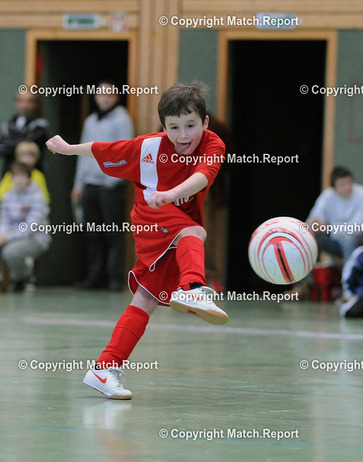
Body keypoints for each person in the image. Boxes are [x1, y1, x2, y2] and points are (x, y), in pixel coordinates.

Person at [46, 81, 229, 399]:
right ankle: (193, 288)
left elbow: (203, 176)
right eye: (174, 127)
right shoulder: (147, 149)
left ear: (205, 122)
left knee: (145, 298)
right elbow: (104, 149)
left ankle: (104, 369)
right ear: (163, 127)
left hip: (174, 217)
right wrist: (68, 148)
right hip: (150, 215)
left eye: (190, 125)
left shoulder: (214, 144)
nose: (183, 135)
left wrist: (172, 193)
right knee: (195, 233)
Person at [72, 81, 134, 290]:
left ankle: (115, 279)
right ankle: (95, 278)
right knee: (92, 233)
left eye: (109, 94)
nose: (105, 98)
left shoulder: (122, 119)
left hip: (110, 186)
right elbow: (82, 152)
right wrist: (78, 184)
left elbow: (125, 152)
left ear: (116, 97)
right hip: (89, 185)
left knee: (113, 232)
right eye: (101, 94)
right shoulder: (90, 120)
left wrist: (112, 181)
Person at [0, 163, 51, 292]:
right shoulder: (8, 197)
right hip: (11, 236)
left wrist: (7, 237)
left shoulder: (38, 197)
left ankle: (22, 277)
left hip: (36, 237)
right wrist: (3, 234)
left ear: (29, 178)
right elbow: (4, 221)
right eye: (15, 176)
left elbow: (31, 226)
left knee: (10, 252)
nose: (19, 180)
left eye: (22, 176)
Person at [307, 166, 363, 261]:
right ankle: (309, 268)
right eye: (342, 185)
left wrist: (328, 228)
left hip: (359, 239)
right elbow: (313, 219)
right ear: (334, 187)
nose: (348, 187)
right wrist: (314, 223)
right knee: (310, 237)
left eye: (349, 183)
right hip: (333, 239)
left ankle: (351, 269)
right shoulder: (327, 195)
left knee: (348, 239)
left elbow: (357, 228)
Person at [0, 90, 49, 174]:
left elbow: (29, 142)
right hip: (9, 173)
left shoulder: (40, 125)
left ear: (35, 104)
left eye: (29, 101)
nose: (25, 105)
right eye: (21, 100)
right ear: (16, 103)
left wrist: (9, 143)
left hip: (32, 174)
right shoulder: (7, 125)